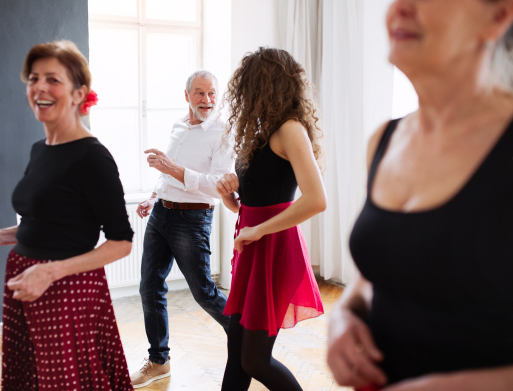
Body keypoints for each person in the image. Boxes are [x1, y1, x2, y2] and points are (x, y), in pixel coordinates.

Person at [327, 1, 513, 390]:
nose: (399, 8)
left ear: (498, 16)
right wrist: (344, 313)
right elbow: (387, 268)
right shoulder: (385, 140)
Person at [0, 40, 134, 391]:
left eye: (53, 79)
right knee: (32, 379)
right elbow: (46, 223)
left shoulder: (93, 157)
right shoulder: (41, 149)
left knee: (65, 383)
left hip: (67, 291)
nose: (39, 87)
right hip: (28, 281)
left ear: (77, 93)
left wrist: (51, 272)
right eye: (33, 78)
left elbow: (121, 243)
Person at [217, 47, 327, 391]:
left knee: (254, 359)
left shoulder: (290, 129)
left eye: (248, 86)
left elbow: (316, 200)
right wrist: (229, 199)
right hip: (254, 249)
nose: (242, 95)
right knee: (237, 352)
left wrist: (259, 230)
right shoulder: (263, 131)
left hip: (275, 250)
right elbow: (254, 205)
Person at [130, 70, 233, 388]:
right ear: (186, 95)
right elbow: (167, 174)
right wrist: (153, 195)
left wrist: (172, 169)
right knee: (149, 288)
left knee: (204, 293)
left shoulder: (223, 132)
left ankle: (250, 340)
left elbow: (218, 185)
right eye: (200, 93)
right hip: (161, 214)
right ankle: (159, 362)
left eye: (212, 93)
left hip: (193, 219)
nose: (207, 100)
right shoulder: (179, 126)